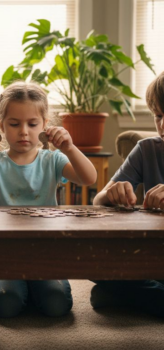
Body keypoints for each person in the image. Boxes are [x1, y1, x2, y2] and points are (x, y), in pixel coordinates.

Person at [0, 81, 97, 318]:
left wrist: (69, 148)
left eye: (32, 124)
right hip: (2, 251)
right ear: (1, 125)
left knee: (57, 305)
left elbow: (88, 178)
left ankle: (31, 286)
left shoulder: (53, 159)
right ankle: (20, 287)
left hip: (45, 250)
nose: (24, 131)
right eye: (15, 124)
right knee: (5, 306)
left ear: (45, 125)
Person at [91, 71, 164, 317]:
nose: (162, 125)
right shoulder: (147, 150)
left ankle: (124, 294)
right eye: (158, 116)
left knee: (109, 289)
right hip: (151, 256)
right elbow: (98, 202)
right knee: (90, 263)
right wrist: (111, 194)